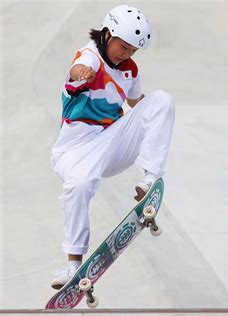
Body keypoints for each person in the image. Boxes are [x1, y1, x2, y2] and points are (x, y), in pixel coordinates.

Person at [50, 5, 175, 289]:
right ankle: (72, 265)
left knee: (162, 100)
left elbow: (137, 103)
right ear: (107, 34)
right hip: (75, 150)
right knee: (79, 186)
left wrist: (153, 116)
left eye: (133, 50)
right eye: (123, 46)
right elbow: (78, 68)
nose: (126, 54)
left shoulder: (130, 69)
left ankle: (150, 178)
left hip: (112, 144)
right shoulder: (90, 56)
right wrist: (79, 72)